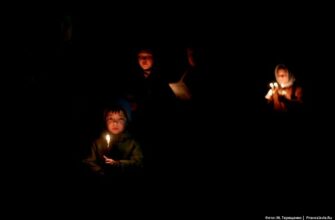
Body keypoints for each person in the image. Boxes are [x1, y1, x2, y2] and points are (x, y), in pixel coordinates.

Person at [83, 104, 144, 178]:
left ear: (127, 121)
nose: (115, 123)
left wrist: (117, 164)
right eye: (110, 119)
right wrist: (101, 173)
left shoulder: (133, 143)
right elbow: (88, 161)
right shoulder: (97, 143)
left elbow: (138, 163)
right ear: (105, 121)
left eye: (120, 119)